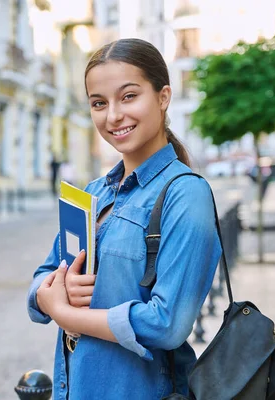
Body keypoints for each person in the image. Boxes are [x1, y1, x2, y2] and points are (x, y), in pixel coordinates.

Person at [27, 38, 222, 400]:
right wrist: (50, 293)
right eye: (99, 103)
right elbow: (46, 273)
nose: (113, 115)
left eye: (128, 96)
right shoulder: (93, 193)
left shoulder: (186, 194)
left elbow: (167, 325)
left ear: (163, 97)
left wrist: (67, 316)